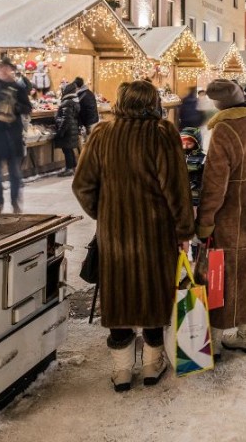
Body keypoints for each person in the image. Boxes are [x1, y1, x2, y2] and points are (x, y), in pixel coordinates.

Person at [72, 80, 195, 391]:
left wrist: (106, 213)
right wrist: (184, 230)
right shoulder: (163, 133)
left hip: (114, 235)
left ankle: (122, 370)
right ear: (152, 102)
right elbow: (177, 190)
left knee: (120, 296)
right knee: (155, 295)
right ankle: (153, 365)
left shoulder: (102, 134)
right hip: (156, 233)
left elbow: (82, 185)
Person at [196, 79, 246, 355]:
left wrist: (205, 221)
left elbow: (215, 184)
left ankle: (214, 342)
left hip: (228, 215)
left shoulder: (224, 130)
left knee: (219, 273)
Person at [0, 59, 32, 212]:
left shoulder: (19, 89)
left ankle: (15, 203)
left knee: (15, 173)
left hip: (11, 136)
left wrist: (16, 105)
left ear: (11, 69)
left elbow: (27, 108)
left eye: (6, 68)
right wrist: (0, 99)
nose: (3, 71)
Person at [54, 82, 81, 177]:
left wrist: (61, 131)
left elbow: (66, 119)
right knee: (69, 149)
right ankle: (73, 167)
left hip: (68, 130)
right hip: (72, 128)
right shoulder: (74, 101)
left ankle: (69, 169)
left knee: (67, 150)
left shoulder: (67, 102)